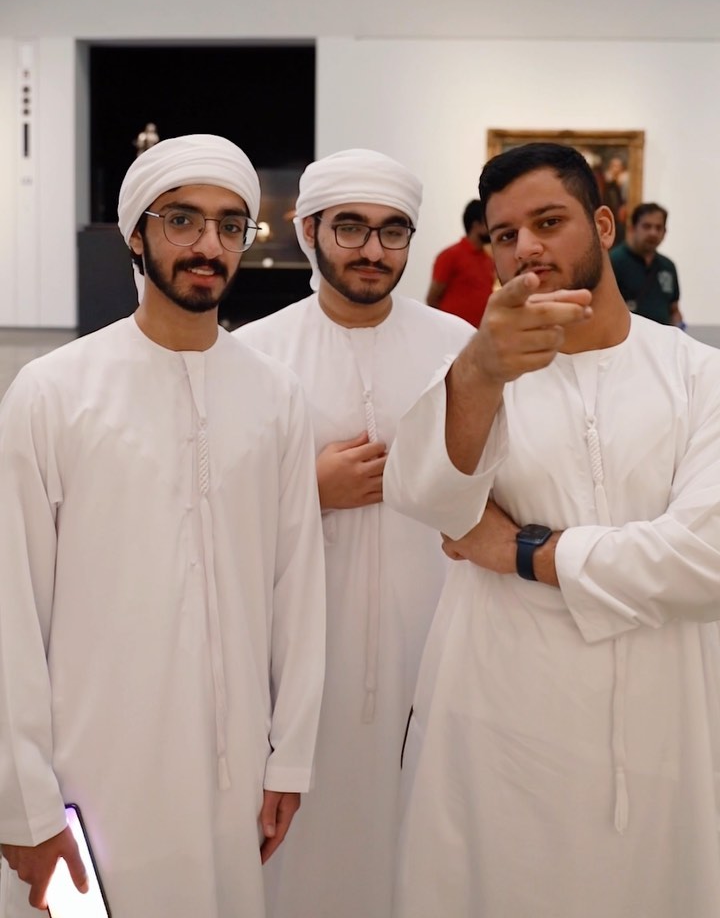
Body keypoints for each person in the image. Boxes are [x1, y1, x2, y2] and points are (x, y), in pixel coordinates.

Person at [384, 142, 720, 918]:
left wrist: (524, 551)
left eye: (548, 222)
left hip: (658, 730)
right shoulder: (477, 373)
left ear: (602, 226)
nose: (526, 248)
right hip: (499, 725)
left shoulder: (698, 376)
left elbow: (705, 561)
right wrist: (481, 371)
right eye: (504, 235)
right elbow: (426, 497)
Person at [0, 134, 325, 918]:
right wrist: (24, 805)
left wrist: (289, 760)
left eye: (229, 225)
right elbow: (10, 609)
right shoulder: (53, 391)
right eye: (182, 220)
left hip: (233, 777)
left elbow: (298, 591)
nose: (208, 245)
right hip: (88, 779)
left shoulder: (275, 395)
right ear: (136, 235)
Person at [235, 149, 472, 918]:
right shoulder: (254, 354)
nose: (373, 250)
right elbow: (204, 515)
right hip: (300, 657)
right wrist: (309, 492)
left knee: (425, 838)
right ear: (307, 230)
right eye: (350, 228)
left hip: (432, 644)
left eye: (392, 231)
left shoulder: (457, 348)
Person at [610, 201, 683, 325]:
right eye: (646, 226)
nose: (653, 233)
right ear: (632, 228)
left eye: (658, 228)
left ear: (664, 232)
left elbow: (674, 309)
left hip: (662, 336)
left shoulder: (668, 266)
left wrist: (679, 328)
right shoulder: (613, 262)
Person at [426, 199, 496, 326]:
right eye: (488, 223)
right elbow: (432, 299)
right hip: (451, 332)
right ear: (476, 225)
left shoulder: (488, 259)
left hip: (479, 332)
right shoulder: (450, 255)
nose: (492, 229)